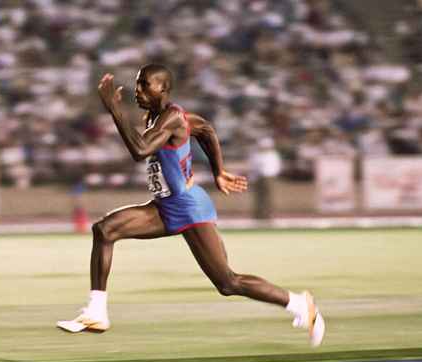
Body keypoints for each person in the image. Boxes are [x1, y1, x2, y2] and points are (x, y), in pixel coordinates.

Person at [57, 64, 325, 347]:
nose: (137, 90)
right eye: (137, 84)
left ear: (163, 88)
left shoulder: (172, 116)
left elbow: (139, 150)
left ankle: (298, 303)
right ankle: (96, 311)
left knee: (227, 283)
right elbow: (206, 130)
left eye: (144, 84)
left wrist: (115, 109)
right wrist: (219, 170)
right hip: (164, 206)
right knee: (105, 230)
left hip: (188, 207)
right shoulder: (158, 117)